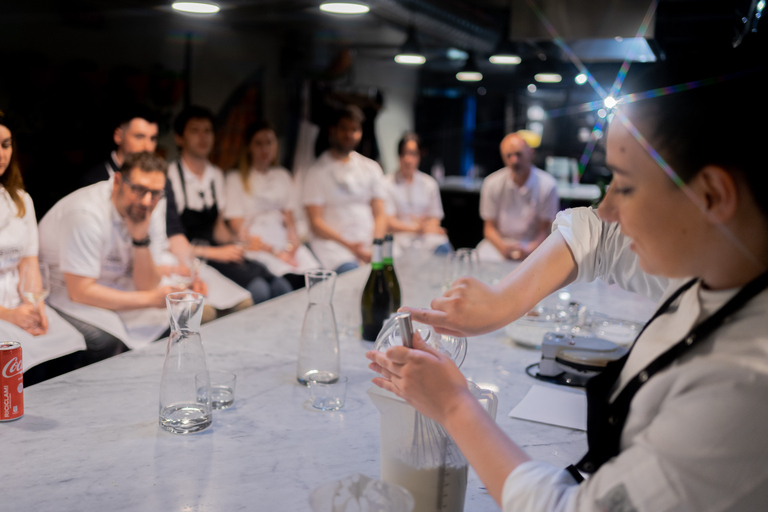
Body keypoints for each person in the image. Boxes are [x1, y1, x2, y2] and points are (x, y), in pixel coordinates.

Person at [367, 63, 768, 511]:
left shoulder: (746, 388)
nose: (608, 207)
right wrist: (504, 299)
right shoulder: (723, 261)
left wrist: (454, 405)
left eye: (627, 186)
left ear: (712, 195)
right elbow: (597, 236)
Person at [81, 106, 253, 320]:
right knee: (199, 313)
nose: (147, 146)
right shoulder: (94, 182)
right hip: (111, 275)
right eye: (139, 137)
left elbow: (173, 232)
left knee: (239, 301)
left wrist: (190, 270)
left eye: (152, 138)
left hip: (153, 263)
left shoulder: (161, 180)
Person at [39, 152, 184, 364]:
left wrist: (140, 239)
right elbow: (80, 291)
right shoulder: (85, 213)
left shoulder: (153, 205)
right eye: (138, 189)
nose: (146, 201)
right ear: (117, 181)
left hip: (113, 284)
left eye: (154, 193)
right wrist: (150, 300)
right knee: (106, 341)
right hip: (63, 291)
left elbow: (147, 284)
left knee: (178, 320)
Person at [167, 106, 291, 303]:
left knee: (281, 286)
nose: (203, 137)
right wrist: (216, 252)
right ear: (179, 138)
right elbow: (172, 241)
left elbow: (218, 229)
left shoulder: (215, 175)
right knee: (259, 291)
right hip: (189, 257)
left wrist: (240, 241)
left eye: (207, 131)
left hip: (217, 250)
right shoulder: (170, 177)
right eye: (195, 131)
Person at [0, 111, 86, 383]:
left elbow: (28, 262)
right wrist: (9, 314)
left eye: (6, 144)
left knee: (71, 347)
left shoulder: (20, 200)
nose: (1, 153)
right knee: (26, 366)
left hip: (19, 301)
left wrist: (34, 304)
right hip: (3, 312)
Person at [224, 120, 320, 289]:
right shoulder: (235, 179)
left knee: (316, 278)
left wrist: (293, 243)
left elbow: (289, 219)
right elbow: (238, 227)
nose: (265, 149)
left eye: (269, 143)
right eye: (259, 144)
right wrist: (275, 252)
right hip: (257, 246)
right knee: (286, 284)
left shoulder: (282, 175)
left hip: (282, 240)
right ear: (249, 147)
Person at [303, 105, 388, 273]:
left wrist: (375, 246)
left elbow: (380, 214)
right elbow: (316, 223)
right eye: (344, 128)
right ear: (332, 130)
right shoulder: (316, 172)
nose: (349, 134)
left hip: (369, 244)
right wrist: (352, 247)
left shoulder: (371, 168)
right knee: (353, 276)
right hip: (335, 247)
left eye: (354, 129)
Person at [476, 132, 559, 261]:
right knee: (480, 257)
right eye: (509, 156)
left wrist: (529, 249)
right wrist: (503, 247)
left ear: (531, 153)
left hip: (533, 246)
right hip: (500, 244)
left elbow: (545, 230)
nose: (514, 160)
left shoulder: (548, 185)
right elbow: (489, 228)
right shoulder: (491, 183)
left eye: (518, 154)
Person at [385, 132, 451, 256]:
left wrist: (426, 227)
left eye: (413, 154)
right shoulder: (387, 183)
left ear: (420, 155)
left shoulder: (429, 183)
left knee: (443, 245)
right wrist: (417, 227)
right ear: (399, 156)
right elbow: (389, 222)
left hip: (424, 238)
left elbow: (435, 217)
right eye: (404, 153)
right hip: (399, 240)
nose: (408, 159)